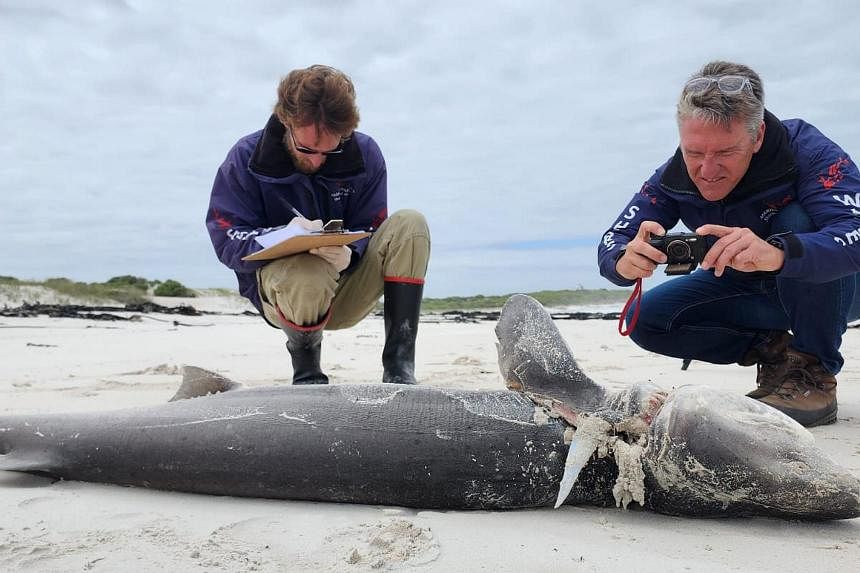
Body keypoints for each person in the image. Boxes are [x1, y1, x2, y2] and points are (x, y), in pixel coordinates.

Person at [598, 60, 860, 428]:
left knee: (799, 221)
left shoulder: (807, 151)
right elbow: (613, 242)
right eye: (694, 153)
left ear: (757, 137)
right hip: (749, 290)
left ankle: (813, 375)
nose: (706, 170)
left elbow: (855, 234)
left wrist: (777, 254)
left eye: (724, 153)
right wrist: (624, 262)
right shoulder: (672, 176)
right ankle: (778, 355)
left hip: (839, 287)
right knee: (643, 317)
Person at [206, 64, 430, 385]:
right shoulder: (244, 158)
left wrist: (351, 253)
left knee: (412, 224)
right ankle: (307, 374)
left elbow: (372, 225)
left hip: (345, 287)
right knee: (307, 270)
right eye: (308, 149)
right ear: (286, 121)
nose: (317, 160)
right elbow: (226, 240)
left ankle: (399, 370)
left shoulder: (365, 154)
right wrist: (283, 237)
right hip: (284, 297)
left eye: (331, 149)